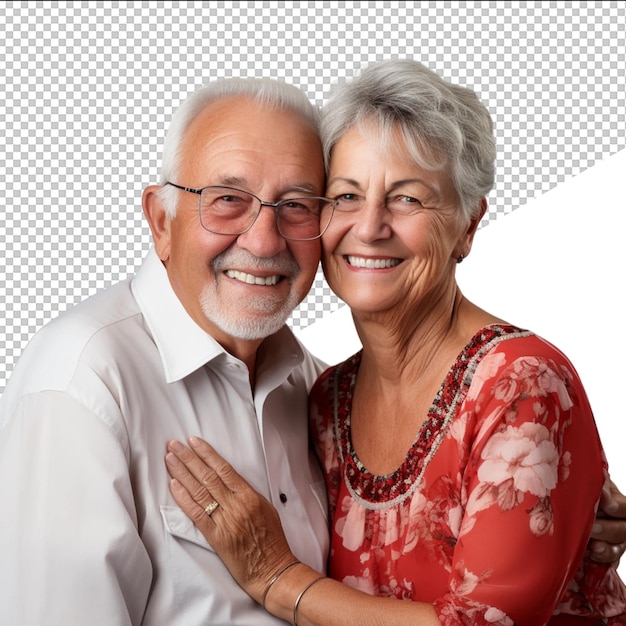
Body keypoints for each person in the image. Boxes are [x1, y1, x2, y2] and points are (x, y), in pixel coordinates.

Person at [164, 59, 626, 625]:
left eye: (407, 199)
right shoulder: (325, 399)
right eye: (347, 196)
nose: (370, 227)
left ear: (468, 225)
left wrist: (276, 579)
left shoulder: (522, 384)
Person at [0, 77, 337, 625]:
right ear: (161, 221)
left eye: (296, 206)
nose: (265, 240)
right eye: (228, 200)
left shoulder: (320, 386)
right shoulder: (82, 384)